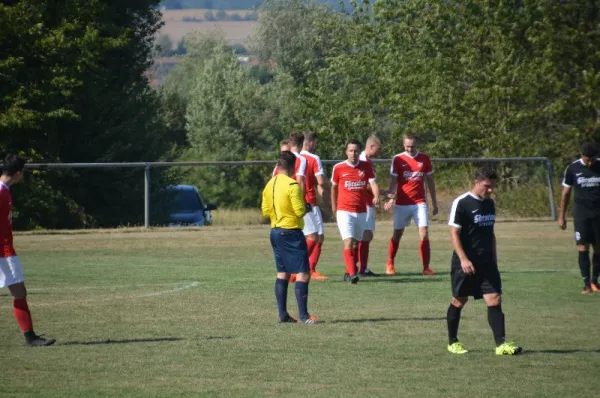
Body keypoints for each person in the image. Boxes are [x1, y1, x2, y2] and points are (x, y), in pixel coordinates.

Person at [446, 167, 522, 355]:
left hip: (487, 262)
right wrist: (464, 259)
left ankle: (501, 344)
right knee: (459, 300)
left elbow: (491, 234)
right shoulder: (461, 203)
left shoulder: (490, 204)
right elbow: (453, 233)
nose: (490, 190)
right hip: (465, 262)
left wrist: (494, 259)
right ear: (477, 182)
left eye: (493, 187)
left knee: (494, 298)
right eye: (487, 186)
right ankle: (453, 341)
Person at [0, 154, 56, 346]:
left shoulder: (5, 190)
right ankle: (30, 338)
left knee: (19, 292)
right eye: (22, 173)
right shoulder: (1, 191)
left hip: (5, 250)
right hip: (3, 252)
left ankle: (30, 337)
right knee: (19, 292)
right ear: (17, 173)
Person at [262, 151, 322, 324]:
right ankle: (304, 316)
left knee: (283, 272)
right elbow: (299, 210)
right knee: (303, 273)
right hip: (291, 232)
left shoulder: (269, 185)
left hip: (275, 232)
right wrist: (308, 207)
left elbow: (265, 211)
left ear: (278, 166)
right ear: (293, 166)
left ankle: (283, 315)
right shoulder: (292, 185)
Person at [384, 133, 438, 276]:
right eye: (407, 146)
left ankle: (426, 267)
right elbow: (394, 182)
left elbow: (430, 182)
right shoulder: (398, 159)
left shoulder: (424, 158)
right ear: (403, 145)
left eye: (412, 146)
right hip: (401, 203)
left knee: (424, 233)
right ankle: (390, 262)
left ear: (417, 144)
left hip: (419, 203)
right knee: (397, 234)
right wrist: (391, 198)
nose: (410, 149)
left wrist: (434, 202)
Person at [331, 139, 380, 283]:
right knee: (348, 241)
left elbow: (373, 183)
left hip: (361, 211)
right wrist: (334, 206)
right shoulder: (338, 168)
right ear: (346, 152)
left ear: (360, 151)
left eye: (356, 151)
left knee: (356, 243)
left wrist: (376, 196)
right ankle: (353, 274)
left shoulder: (366, 166)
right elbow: (333, 188)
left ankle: (348, 271)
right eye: (350, 150)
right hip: (344, 210)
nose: (353, 153)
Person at [558, 142, 600, 294]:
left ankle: (595, 281)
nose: (590, 162)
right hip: (582, 215)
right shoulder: (573, 168)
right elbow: (566, 193)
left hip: (598, 215)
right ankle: (586, 284)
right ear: (582, 156)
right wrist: (561, 216)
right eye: (587, 159)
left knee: (598, 248)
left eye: (593, 159)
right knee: (583, 246)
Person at [300, 131, 328, 280]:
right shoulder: (313, 158)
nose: (315, 145)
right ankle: (307, 268)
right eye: (314, 142)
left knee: (310, 236)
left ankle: (306, 268)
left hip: (297, 202)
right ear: (310, 142)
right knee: (318, 236)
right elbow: (321, 181)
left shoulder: (295, 157)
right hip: (310, 201)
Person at [357, 136, 382, 277]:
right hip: (364, 203)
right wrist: (376, 195)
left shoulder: (367, 161)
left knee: (366, 235)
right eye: (379, 149)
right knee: (364, 235)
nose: (380, 152)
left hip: (367, 203)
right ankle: (360, 269)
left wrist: (381, 193)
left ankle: (362, 268)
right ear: (371, 147)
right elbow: (365, 184)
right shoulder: (362, 161)